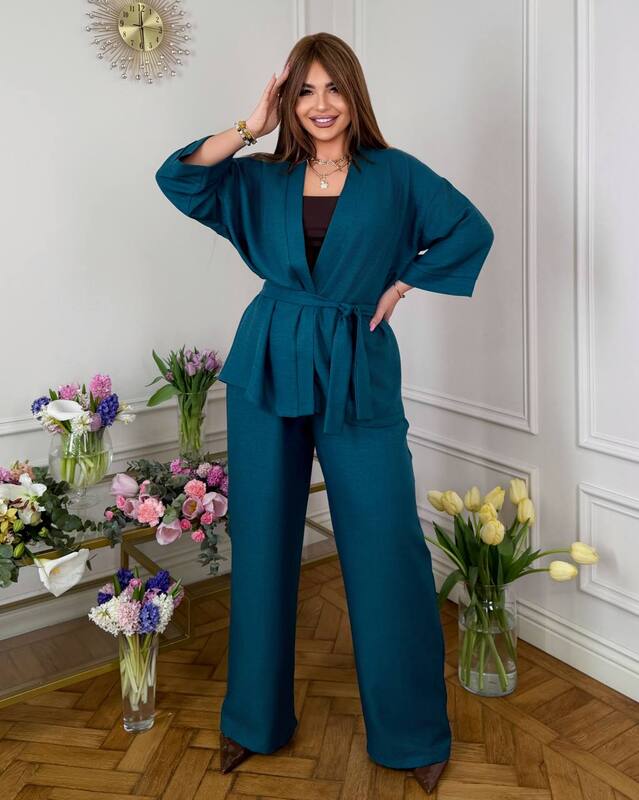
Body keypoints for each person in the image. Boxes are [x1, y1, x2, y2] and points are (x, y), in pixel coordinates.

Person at [155, 32, 494, 795]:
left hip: (355, 365)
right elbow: (180, 178)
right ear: (288, 101)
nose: (320, 104)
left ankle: (411, 730)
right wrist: (249, 125)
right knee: (263, 539)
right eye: (303, 91)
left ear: (353, 93)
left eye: (332, 88)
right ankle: (253, 719)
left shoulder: (395, 176)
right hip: (268, 359)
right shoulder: (261, 177)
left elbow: (468, 229)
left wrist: (401, 283)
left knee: (386, 543)